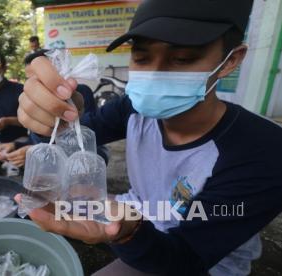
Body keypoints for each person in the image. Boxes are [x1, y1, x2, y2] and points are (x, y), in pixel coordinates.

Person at [15, 0, 282, 275]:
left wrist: (129, 232)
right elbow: (76, 134)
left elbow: (185, 258)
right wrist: (51, 117)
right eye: (141, 58)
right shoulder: (133, 108)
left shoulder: (265, 152)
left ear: (231, 61)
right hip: (140, 215)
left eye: (182, 59)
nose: (154, 75)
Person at [0, 49, 105, 167]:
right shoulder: (30, 97)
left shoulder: (80, 92)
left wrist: (37, 151)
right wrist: (16, 145)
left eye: (40, 76)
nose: (35, 83)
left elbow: (88, 138)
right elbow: (37, 136)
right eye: (30, 79)